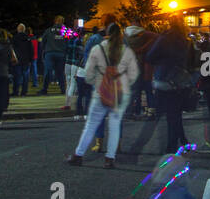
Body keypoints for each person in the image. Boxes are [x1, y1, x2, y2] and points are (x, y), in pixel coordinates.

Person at [67, 23, 139, 167]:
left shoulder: (98, 49)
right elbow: (133, 74)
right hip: (120, 93)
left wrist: (98, 82)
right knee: (115, 125)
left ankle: (78, 155)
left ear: (106, 32)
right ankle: (110, 158)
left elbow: (88, 74)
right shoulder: (126, 51)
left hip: (101, 92)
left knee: (91, 125)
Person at [147, 18, 196, 153]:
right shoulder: (186, 40)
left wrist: (161, 61)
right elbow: (191, 61)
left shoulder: (164, 38)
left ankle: (171, 147)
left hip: (165, 80)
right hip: (181, 81)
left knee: (171, 116)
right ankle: (183, 141)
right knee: (175, 114)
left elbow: (150, 57)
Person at [38, 16, 68, 98]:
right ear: (62, 22)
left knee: (48, 71)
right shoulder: (65, 31)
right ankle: (63, 89)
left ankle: (44, 89)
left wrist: (44, 49)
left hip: (50, 53)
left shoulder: (49, 30)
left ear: (55, 21)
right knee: (60, 72)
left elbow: (42, 41)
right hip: (61, 54)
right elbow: (70, 41)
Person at [11, 24, 34, 96]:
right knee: (25, 77)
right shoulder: (28, 38)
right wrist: (31, 59)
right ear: (24, 30)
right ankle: (24, 91)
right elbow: (31, 50)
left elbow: (11, 49)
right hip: (26, 60)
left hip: (17, 59)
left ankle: (15, 91)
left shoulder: (14, 38)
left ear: (18, 29)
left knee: (17, 76)